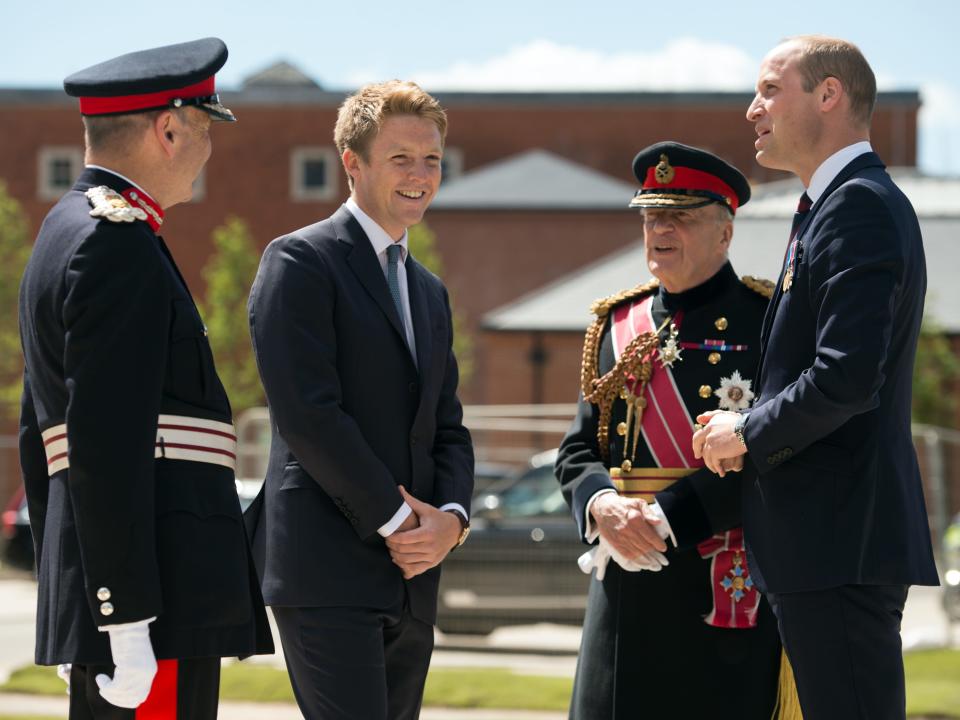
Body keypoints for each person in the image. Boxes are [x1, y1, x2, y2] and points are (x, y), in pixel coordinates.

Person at [17, 38, 273, 720]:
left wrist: (74, 587)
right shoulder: (115, 242)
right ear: (168, 128)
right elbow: (102, 441)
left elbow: (38, 437)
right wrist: (124, 618)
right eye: (203, 129)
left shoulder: (66, 233)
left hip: (133, 591)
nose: (208, 150)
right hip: (156, 600)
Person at [694, 35, 938, 719]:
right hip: (826, 541)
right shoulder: (830, 207)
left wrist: (746, 429)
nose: (752, 110)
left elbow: (846, 376)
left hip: (840, 541)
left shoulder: (857, 206)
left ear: (829, 95)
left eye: (771, 89)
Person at [246, 80, 474, 720]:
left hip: (414, 576)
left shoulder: (428, 289)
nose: (420, 175)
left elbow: (447, 427)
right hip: (326, 568)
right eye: (401, 157)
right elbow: (308, 414)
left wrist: (450, 521)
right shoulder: (299, 261)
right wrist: (402, 524)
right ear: (354, 163)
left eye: (432, 160)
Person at [555, 142, 796, 719]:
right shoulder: (618, 323)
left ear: (725, 232)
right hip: (624, 585)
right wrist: (603, 506)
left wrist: (665, 517)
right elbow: (578, 450)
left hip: (717, 580)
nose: (660, 229)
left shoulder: (767, 323)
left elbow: (777, 454)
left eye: (681, 217)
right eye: (651, 215)